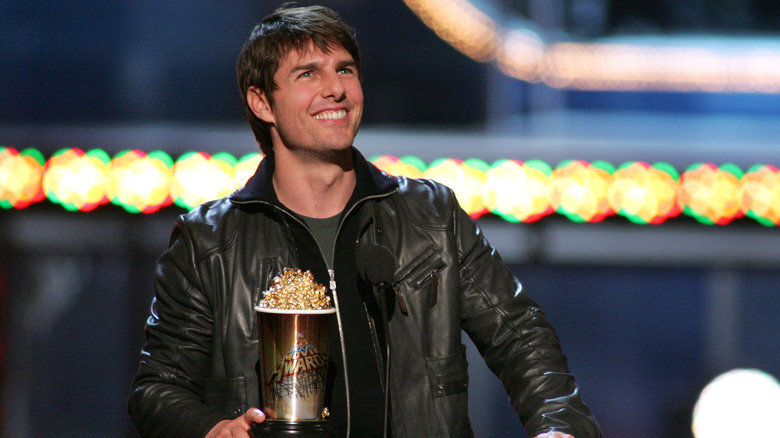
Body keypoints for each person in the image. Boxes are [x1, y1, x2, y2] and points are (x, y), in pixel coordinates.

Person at [128, 5, 602, 438]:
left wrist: (558, 425)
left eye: (345, 70)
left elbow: (520, 335)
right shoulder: (210, 241)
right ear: (262, 103)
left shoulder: (431, 217)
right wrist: (213, 429)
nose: (335, 88)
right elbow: (157, 390)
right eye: (307, 73)